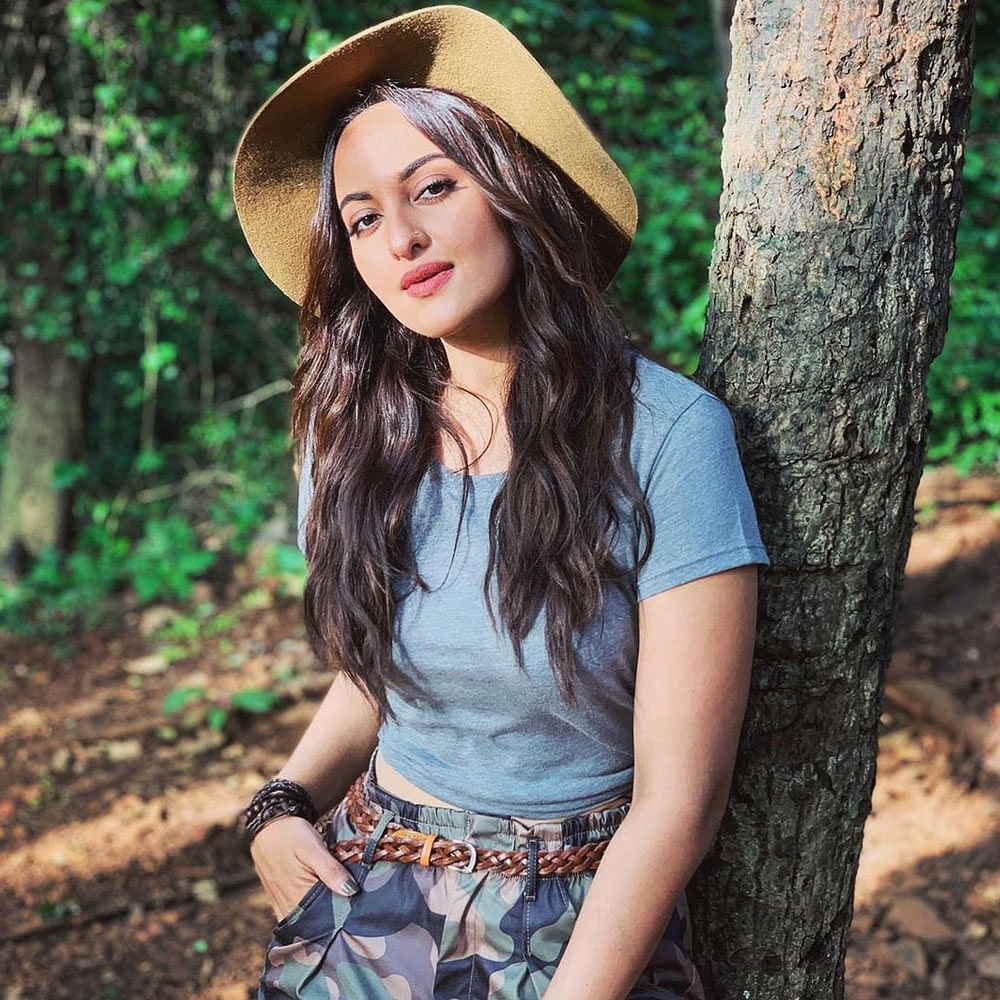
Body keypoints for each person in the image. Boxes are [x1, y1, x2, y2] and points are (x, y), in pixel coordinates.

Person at [231, 7, 770, 999]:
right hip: (368, 886)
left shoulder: (666, 436)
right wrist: (277, 803)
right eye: (361, 217)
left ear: (516, 190)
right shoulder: (352, 433)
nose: (401, 237)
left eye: (434, 186)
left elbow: (679, 804)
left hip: (576, 911)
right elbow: (379, 672)